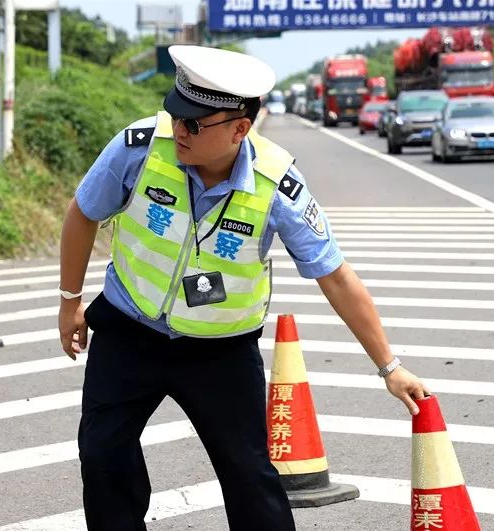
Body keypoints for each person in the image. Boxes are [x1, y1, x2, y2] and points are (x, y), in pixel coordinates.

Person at [58, 45, 429, 531]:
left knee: (249, 476)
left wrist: (390, 367)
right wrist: (70, 302)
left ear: (239, 128)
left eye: (195, 124)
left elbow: (335, 275)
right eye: (177, 116)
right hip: (129, 330)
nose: (180, 131)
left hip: (221, 352)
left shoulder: (277, 185)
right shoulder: (141, 147)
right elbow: (84, 211)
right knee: (104, 458)